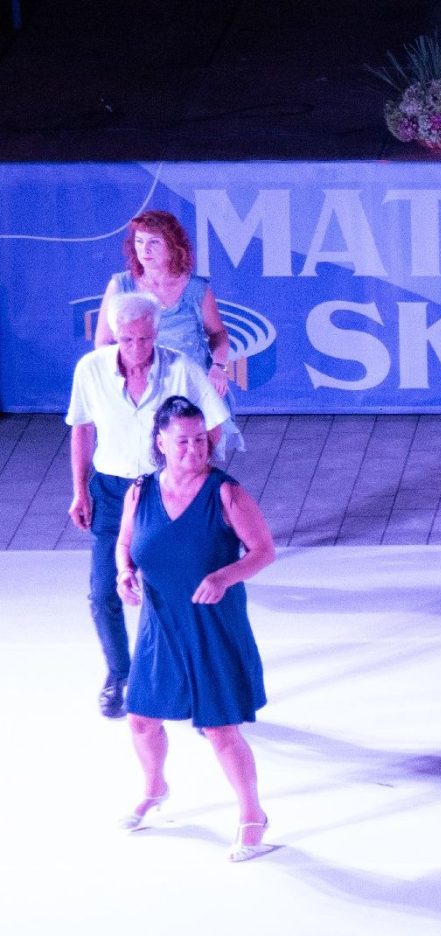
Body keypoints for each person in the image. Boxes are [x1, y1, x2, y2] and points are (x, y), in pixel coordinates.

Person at [113, 396, 277, 862]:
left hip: (213, 626)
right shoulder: (140, 492)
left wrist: (224, 577)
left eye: (200, 439)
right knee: (142, 718)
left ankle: (253, 815)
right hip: (160, 625)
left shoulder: (227, 494)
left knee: (220, 728)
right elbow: (125, 543)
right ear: (161, 442)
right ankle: (154, 787)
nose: (194, 448)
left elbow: (263, 551)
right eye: (182, 440)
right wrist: (124, 573)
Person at [67, 293, 228, 718]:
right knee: (104, 592)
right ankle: (121, 674)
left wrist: (191, 475)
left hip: (163, 492)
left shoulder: (181, 368)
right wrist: (80, 490)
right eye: (126, 339)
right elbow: (81, 429)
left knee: (174, 591)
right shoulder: (90, 369)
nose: (135, 348)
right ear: (114, 335)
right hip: (110, 490)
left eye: (143, 338)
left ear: (156, 333)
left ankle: (187, 676)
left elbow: (214, 423)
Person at [96, 210, 242, 457]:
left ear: (173, 246)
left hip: (190, 385)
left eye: (153, 242)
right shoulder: (121, 286)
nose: (145, 249)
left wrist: (218, 367)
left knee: (191, 459)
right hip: (142, 387)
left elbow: (218, 334)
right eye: (139, 241)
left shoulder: (196, 289)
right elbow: (103, 343)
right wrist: (132, 373)